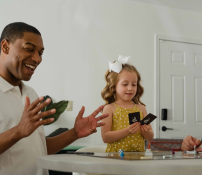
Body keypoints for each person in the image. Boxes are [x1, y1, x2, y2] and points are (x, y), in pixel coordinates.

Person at [0, 22, 109, 175]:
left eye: (40, 53)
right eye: (30, 49)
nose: (37, 59)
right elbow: (20, 133)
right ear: (5, 46)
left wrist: (75, 133)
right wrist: (18, 131)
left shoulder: (30, 93)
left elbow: (40, 148)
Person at [101, 56, 154, 152]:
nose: (130, 88)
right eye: (125, 84)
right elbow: (105, 137)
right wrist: (127, 131)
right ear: (113, 86)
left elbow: (150, 138)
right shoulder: (109, 108)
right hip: (115, 159)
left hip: (138, 160)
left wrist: (144, 131)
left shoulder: (141, 108)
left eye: (134, 84)